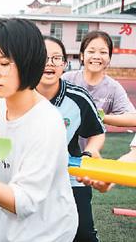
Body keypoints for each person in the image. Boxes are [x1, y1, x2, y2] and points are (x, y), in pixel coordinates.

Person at [0, 18, 78, 242]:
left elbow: (24, 201)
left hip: (47, 232)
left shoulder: (47, 122)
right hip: (5, 227)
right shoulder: (1, 103)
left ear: (28, 62)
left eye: (4, 63)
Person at [36, 36, 105, 242]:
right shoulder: (18, 96)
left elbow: (97, 133)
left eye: (57, 58)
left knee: (83, 234)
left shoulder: (78, 98)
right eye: (44, 58)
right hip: (29, 177)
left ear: (64, 64)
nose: (50, 63)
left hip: (70, 178)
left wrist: (88, 155)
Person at [63, 31, 136, 193]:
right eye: (91, 51)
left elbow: (133, 118)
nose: (97, 56)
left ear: (109, 58)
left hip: (85, 158)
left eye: (103, 52)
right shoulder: (67, 79)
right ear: (82, 56)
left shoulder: (113, 88)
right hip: (59, 150)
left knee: (81, 206)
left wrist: (100, 117)